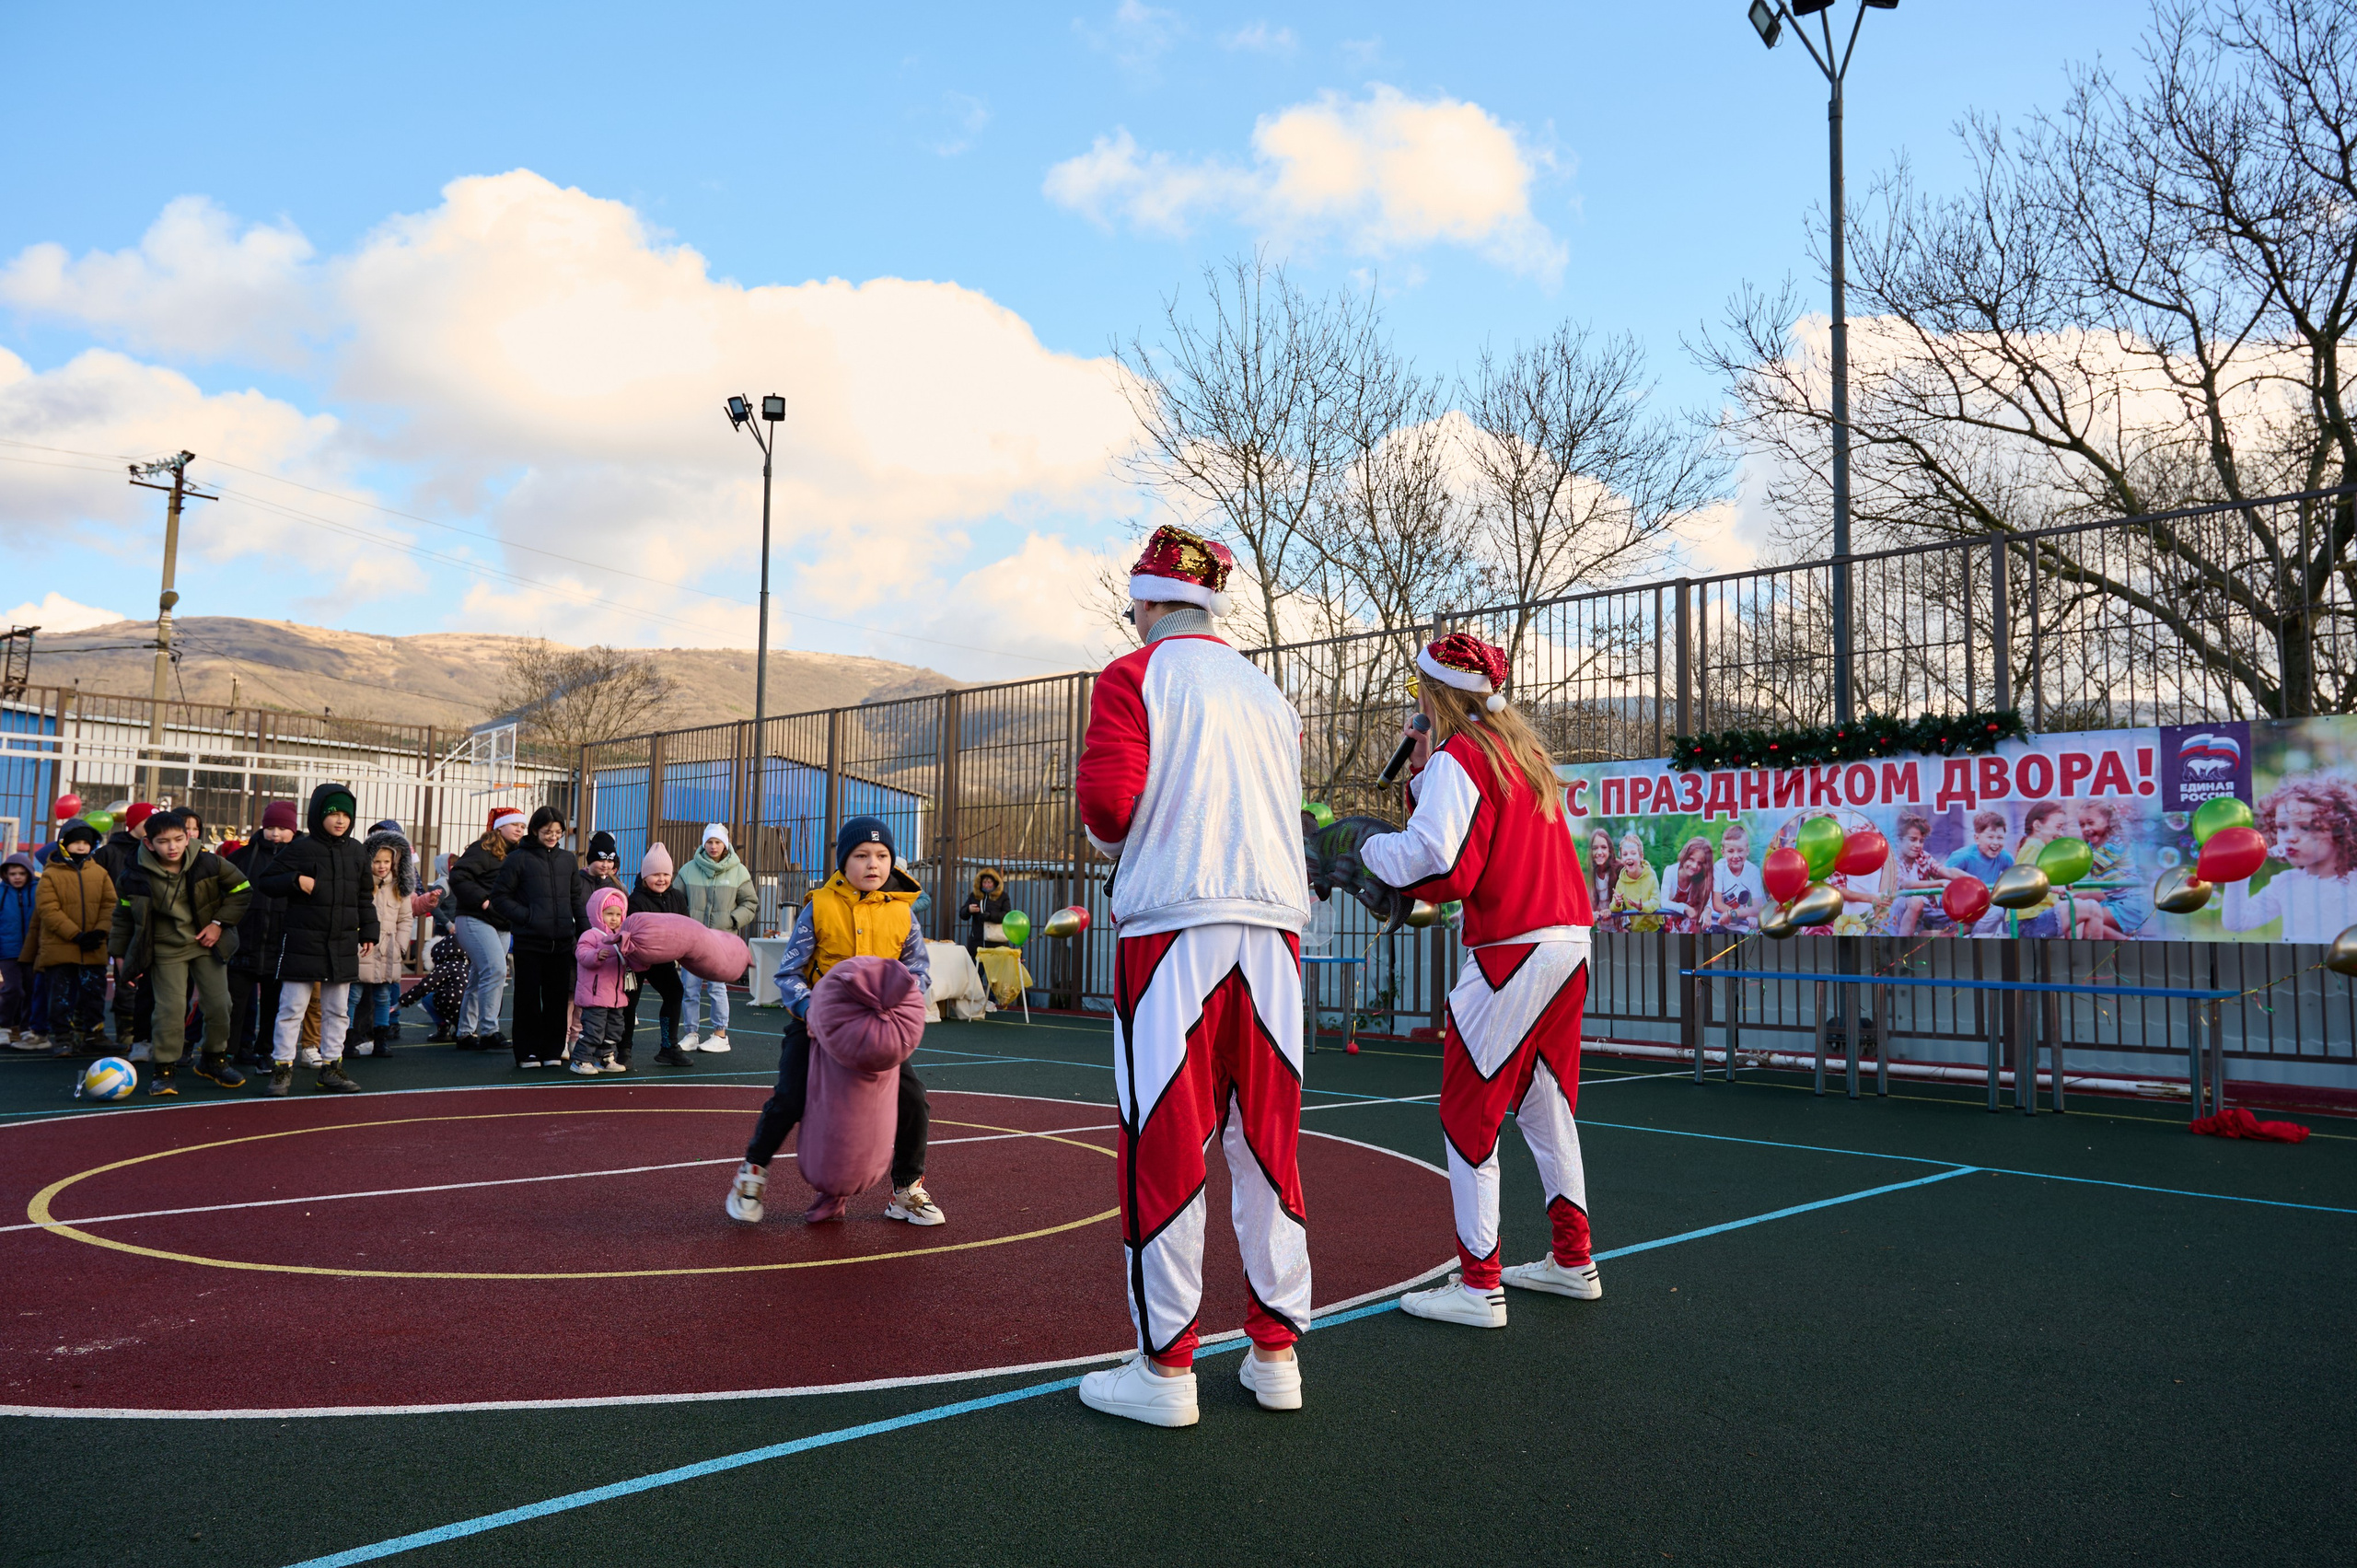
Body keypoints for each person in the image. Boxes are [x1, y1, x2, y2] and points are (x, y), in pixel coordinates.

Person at [1070, 524, 1313, 1428]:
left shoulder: (1132, 676)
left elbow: (1107, 807)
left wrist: (1120, 839)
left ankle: (1167, 1368)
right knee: (1267, 1140)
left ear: (1144, 601)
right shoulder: (1270, 694)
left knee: (1164, 1136)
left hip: (1173, 919)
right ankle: (1276, 1352)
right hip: (1275, 927)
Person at [1357, 633, 1600, 1330]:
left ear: (1436, 695)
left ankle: (1478, 1284)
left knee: (1470, 1112)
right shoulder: (1519, 754)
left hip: (1510, 949)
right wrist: (1422, 772)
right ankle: (1572, 1258)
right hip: (1566, 941)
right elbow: (1466, 837)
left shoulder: (1463, 756)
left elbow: (1442, 862)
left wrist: (1364, 846)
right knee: (1546, 1108)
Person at [726, 818, 941, 1224]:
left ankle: (906, 1188)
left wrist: (902, 1006)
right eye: (861, 855)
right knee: (791, 1097)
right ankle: (751, 1173)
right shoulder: (819, 907)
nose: (873, 864)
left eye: (882, 856)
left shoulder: (903, 914)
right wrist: (811, 1010)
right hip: (816, 1026)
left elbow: (917, 971)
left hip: (875, 1031)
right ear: (843, 862)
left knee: (913, 1099)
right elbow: (789, 972)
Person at [110, 807, 252, 1094]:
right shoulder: (133, 875)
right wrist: (120, 954)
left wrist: (218, 924)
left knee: (220, 1005)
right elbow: (122, 917)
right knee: (170, 1010)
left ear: (188, 838)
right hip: (165, 949)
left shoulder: (209, 862)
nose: (172, 847)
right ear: (149, 843)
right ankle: (164, 1068)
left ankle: (213, 1059)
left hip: (205, 943)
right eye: (163, 842)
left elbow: (242, 890)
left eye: (177, 839)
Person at [257, 783, 376, 1095]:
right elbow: (266, 881)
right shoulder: (300, 848)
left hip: (342, 944)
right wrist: (295, 880)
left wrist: (370, 930)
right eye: (333, 813)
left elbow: (365, 895)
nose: (340, 820)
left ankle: (332, 1068)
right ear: (318, 814)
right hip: (302, 943)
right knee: (291, 1008)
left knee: (337, 1010)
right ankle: (282, 1068)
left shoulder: (357, 851)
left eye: (346, 815)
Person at [492, 806, 582, 1069]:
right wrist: (528, 916)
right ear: (534, 830)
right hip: (529, 941)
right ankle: (527, 1051)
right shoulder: (517, 858)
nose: (553, 836)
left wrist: (585, 930)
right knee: (527, 998)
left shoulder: (568, 860)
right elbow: (500, 897)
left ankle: (553, 1049)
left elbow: (576, 899)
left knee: (557, 999)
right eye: (547, 831)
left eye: (558, 832)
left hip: (562, 942)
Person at [2223, 774, 2357, 941]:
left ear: (2341, 831)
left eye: (2305, 827)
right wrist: (2240, 870)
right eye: (2283, 827)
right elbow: (2238, 922)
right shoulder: (2286, 883)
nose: (2290, 837)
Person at [226, 802, 298, 1067]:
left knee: (275, 1006)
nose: (275, 833)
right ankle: (231, 1051)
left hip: (281, 945)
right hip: (244, 942)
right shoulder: (243, 857)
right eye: (270, 827)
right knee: (234, 1005)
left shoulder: (302, 858)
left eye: (282, 828)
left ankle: (266, 1051)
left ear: (293, 830)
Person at [448, 807, 525, 1052]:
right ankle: (489, 1031)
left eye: (522, 826)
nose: (520, 829)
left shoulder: (518, 854)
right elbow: (458, 876)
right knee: (496, 969)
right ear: (499, 826)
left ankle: (464, 1033)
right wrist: (483, 900)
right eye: (515, 824)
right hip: (475, 918)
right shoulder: (482, 849)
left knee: (480, 976)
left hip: (501, 922)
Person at [36, 819, 114, 1057]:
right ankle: (63, 1038)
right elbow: (48, 909)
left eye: (86, 843)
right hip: (61, 947)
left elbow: (110, 904)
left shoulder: (100, 873)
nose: (81, 847)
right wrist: (76, 935)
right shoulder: (50, 874)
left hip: (94, 946)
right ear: (63, 844)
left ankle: (93, 1035)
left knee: (94, 994)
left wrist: (100, 931)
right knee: (60, 996)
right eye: (76, 842)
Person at [677, 823, 756, 1053]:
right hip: (693, 941)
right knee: (689, 988)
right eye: (710, 842)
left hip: (721, 942)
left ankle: (720, 1035)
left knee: (717, 988)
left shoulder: (739, 871)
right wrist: (685, 925)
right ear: (704, 844)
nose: (713, 846)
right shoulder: (688, 870)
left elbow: (750, 903)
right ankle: (691, 1033)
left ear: (725, 844)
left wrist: (732, 920)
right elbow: (676, 901)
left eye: (718, 842)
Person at [625, 843, 690, 1067]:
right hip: (636, 960)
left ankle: (668, 1046)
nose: (661, 879)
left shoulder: (677, 898)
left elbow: (685, 926)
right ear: (645, 877)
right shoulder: (636, 900)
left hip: (662, 959)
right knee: (629, 1002)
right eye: (655, 875)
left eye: (666, 874)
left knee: (675, 992)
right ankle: (624, 1049)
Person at [354, 828, 415, 1059]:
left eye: (386, 861)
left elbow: (405, 919)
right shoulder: (361, 886)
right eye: (377, 861)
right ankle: (349, 1039)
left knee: (383, 997)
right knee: (353, 995)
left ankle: (381, 1039)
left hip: (388, 950)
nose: (382, 866)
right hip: (362, 949)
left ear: (394, 862)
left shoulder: (399, 888)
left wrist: (400, 945)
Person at [99, 802, 155, 1052]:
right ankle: (126, 1033)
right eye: (147, 822)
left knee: (149, 983)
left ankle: (146, 1034)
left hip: (148, 926)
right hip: (119, 924)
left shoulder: (155, 850)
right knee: (125, 980)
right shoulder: (109, 853)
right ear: (133, 824)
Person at [571, 886, 632, 1074]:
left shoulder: (622, 937)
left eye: (618, 914)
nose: (614, 918)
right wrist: (596, 955)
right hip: (595, 995)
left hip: (616, 996)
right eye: (609, 913)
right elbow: (582, 954)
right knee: (593, 1029)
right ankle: (581, 1060)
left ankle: (605, 1058)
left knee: (615, 1029)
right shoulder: (591, 935)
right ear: (598, 913)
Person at [1944, 810, 2014, 935]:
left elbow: (2015, 877)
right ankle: (1975, 938)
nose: (1996, 843)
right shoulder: (1963, 856)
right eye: (1990, 837)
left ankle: (2006, 937)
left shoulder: (2004, 857)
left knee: (2007, 904)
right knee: (1996, 911)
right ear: (1977, 838)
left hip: (1985, 908)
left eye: (2000, 838)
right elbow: (1942, 875)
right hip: (1959, 909)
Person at [0, 851, 38, 1048]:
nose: (17, 877)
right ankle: (3, 1026)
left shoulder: (37, 891)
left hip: (31, 950)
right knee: (13, 988)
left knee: (31, 989)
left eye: (21, 874)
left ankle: (25, 1029)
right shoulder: (2, 893)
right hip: (7, 951)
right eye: (12, 874)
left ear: (29, 873)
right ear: (6, 875)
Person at [1707, 822, 1765, 933]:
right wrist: (1744, 914)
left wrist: (1734, 914)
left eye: (1740, 850)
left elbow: (1758, 907)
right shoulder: (1719, 868)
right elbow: (1717, 904)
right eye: (1730, 851)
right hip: (1718, 922)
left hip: (1740, 925)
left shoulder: (1753, 871)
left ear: (1747, 851)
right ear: (1723, 852)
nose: (1736, 856)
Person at [1659, 836, 1713, 934]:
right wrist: (1684, 908)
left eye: (1700, 863)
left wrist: (1708, 910)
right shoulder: (1670, 872)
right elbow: (1664, 902)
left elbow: (1710, 900)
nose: (1694, 866)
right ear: (1685, 856)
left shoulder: (1701, 879)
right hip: (1669, 927)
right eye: (1691, 859)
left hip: (1690, 928)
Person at [961, 867, 1010, 958]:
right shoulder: (974, 896)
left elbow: (1007, 915)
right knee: (976, 966)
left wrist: (991, 916)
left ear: (995, 883)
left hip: (996, 942)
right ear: (980, 883)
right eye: (984, 882)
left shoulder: (1002, 896)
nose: (986, 885)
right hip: (977, 941)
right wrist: (968, 909)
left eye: (989, 882)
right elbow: (962, 914)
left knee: (995, 966)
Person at [576, 831, 624, 923]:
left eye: (609, 861)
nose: (605, 865)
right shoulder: (577, 881)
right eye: (601, 860)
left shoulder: (616, 885)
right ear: (591, 860)